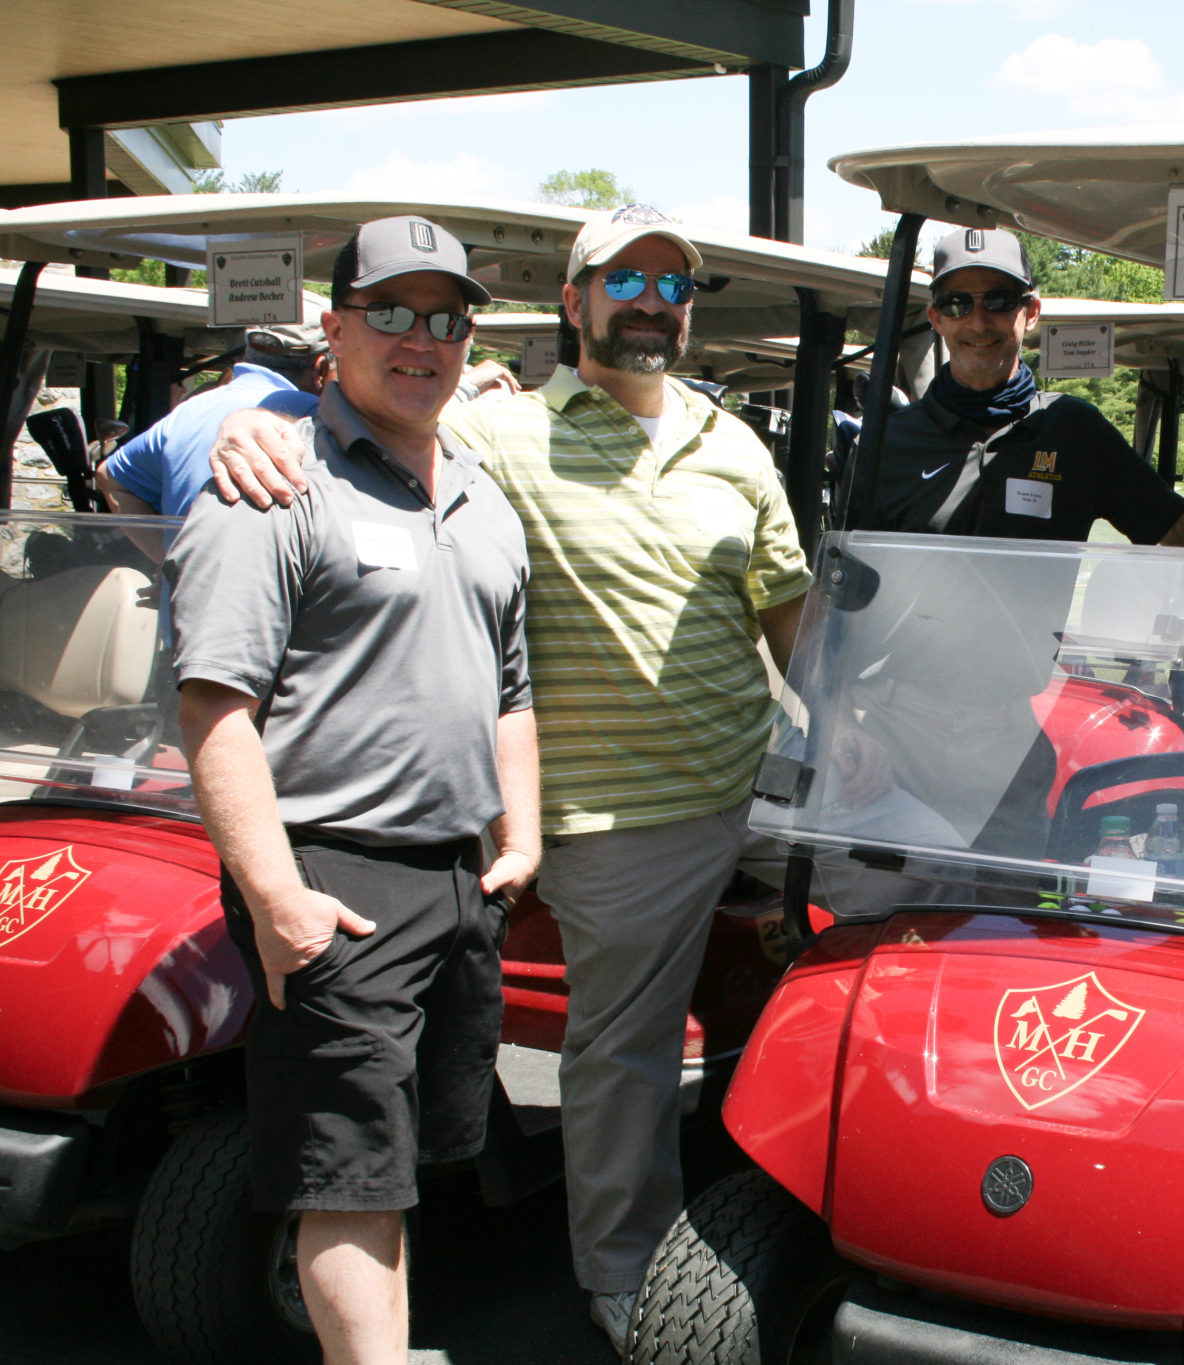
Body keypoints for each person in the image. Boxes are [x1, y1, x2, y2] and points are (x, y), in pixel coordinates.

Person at [206, 203, 811, 1357]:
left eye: (671, 289)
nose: (649, 306)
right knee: (625, 1054)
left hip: (747, 783)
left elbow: (785, 610)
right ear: (573, 305)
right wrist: (265, 425)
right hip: (616, 812)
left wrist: (863, 737)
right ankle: (625, 1273)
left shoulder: (731, 443)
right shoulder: (500, 433)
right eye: (621, 285)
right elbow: (376, 418)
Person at [164, 216, 538, 1365]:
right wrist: (278, 900)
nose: (421, 339)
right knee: (348, 1183)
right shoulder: (269, 487)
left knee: (407, 1161)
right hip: (334, 877)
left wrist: (517, 832)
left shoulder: (479, 493)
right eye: (390, 312)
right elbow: (214, 708)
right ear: (333, 330)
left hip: (458, 879)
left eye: (445, 316)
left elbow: (509, 687)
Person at [847, 225, 1184, 549]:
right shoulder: (887, 443)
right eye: (957, 304)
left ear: (1030, 312)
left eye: (999, 301)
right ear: (936, 319)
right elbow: (851, 584)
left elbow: (1182, 530)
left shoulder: (1073, 430)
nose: (978, 323)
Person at [97, 325, 330, 524]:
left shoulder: (188, 410)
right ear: (320, 369)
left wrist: (169, 557)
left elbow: (109, 477)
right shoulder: (317, 415)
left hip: (184, 576)